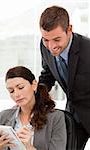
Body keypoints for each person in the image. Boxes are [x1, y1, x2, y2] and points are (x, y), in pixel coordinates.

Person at [39, 5, 90, 150]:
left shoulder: (87, 50)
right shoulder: (45, 47)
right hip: (73, 116)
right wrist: (35, 98)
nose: (51, 46)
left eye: (56, 39)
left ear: (69, 30)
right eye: (46, 40)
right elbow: (47, 75)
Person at [0, 66, 67, 150]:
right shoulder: (4, 116)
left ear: (34, 85)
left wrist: (29, 147)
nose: (16, 94)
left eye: (20, 87)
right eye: (11, 91)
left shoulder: (56, 118)